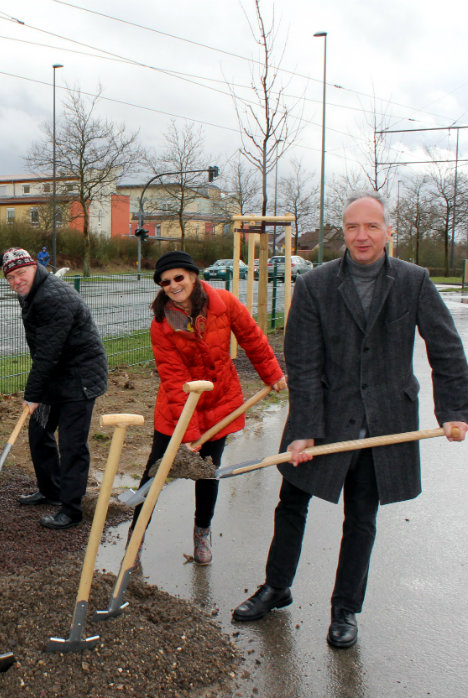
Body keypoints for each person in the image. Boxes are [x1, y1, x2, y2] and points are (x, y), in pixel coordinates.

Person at [232, 193, 468, 648]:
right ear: (344, 232)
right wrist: (302, 429)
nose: (362, 235)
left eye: (372, 226)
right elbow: (302, 361)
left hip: (385, 421)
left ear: (387, 232)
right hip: (324, 415)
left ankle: (345, 610)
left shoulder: (414, 282)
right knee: (291, 504)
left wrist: (454, 412)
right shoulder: (317, 284)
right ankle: (277, 587)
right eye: (353, 227)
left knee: (362, 516)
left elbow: (446, 349)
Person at [132, 250, 286, 564]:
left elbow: (252, 338)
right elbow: (174, 379)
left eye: (178, 277)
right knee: (155, 474)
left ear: (193, 275)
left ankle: (202, 534)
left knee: (207, 474)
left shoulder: (224, 303)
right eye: (165, 282)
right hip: (178, 410)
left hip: (220, 403)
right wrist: (188, 433)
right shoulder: (163, 323)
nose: (173, 286)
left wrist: (272, 374)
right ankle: (135, 540)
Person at [0, 247, 108, 530]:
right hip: (56, 375)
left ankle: (71, 510)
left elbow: (47, 353)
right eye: (10, 277)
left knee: (72, 446)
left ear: (35, 267)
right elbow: (47, 355)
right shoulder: (33, 292)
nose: (16, 281)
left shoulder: (51, 297)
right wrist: (38, 394)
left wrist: (33, 395)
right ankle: (51, 490)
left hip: (79, 378)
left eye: (21, 273)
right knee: (39, 431)